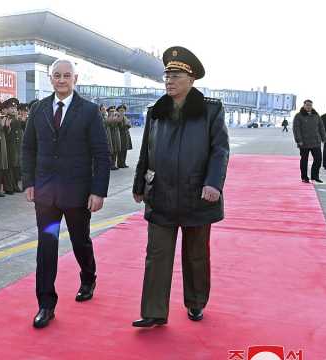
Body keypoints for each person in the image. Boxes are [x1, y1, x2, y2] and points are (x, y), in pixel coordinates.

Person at [131, 46, 229, 328]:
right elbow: (146, 152)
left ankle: (196, 302)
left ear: (191, 79)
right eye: (166, 76)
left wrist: (213, 183)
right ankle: (153, 312)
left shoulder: (210, 110)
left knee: (196, 254)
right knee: (157, 254)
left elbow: (219, 150)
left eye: (175, 75)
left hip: (197, 194)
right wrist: (139, 184)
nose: (169, 81)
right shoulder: (157, 111)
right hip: (160, 194)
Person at [22, 59, 110, 329]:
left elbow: (101, 154)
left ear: (75, 78)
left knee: (80, 240)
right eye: (57, 76)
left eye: (66, 76)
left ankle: (88, 275)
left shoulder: (89, 111)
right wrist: (29, 182)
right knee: (46, 246)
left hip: (77, 194)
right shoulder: (38, 109)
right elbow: (28, 149)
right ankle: (46, 304)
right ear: (50, 79)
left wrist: (98, 191)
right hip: (46, 196)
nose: (61, 80)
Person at [293, 100, 326, 183]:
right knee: (304, 160)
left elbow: (321, 127)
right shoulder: (298, 116)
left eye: (310, 105)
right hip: (304, 142)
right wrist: (298, 140)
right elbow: (296, 129)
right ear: (304, 105)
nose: (309, 107)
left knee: (318, 159)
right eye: (307, 105)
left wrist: (323, 137)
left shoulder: (316, 115)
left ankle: (315, 176)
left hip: (316, 141)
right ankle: (304, 177)